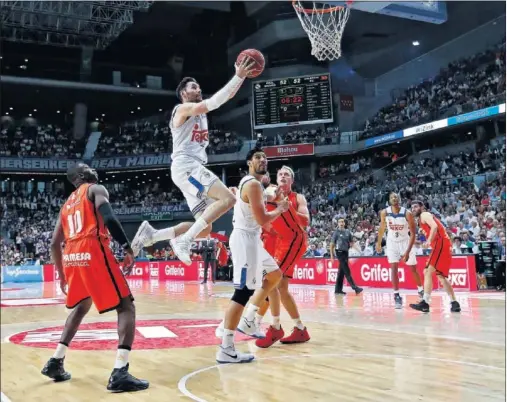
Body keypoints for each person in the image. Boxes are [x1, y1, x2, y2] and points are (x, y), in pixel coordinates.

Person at [130, 57, 256, 264]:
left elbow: (221, 100)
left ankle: (152, 235)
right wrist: (239, 76)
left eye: (198, 87)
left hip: (190, 168)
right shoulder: (181, 109)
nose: (198, 90)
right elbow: (215, 101)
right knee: (229, 200)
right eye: (193, 87)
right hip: (186, 166)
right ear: (183, 94)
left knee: (205, 228)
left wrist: (239, 79)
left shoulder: (201, 114)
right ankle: (184, 241)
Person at [41, 163, 148, 392]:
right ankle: (120, 371)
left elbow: (53, 244)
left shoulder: (66, 205)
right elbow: (108, 217)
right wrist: (127, 248)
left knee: (81, 306)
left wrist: (61, 274)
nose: (94, 169)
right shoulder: (95, 189)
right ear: (81, 176)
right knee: (126, 305)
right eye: (88, 167)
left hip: (72, 256)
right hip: (92, 248)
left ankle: (56, 361)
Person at [216, 148, 288, 364]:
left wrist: (272, 195)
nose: (263, 160)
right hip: (245, 240)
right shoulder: (252, 184)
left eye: (265, 158)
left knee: (275, 274)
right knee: (242, 293)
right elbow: (261, 219)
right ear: (249, 163)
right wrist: (280, 209)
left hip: (253, 240)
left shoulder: (253, 185)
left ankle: (249, 319)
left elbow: (261, 201)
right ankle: (226, 347)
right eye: (257, 157)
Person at [254, 166, 311, 348]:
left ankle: (269, 325)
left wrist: (288, 209)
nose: (283, 176)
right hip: (275, 242)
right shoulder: (271, 190)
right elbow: (265, 203)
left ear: (292, 180)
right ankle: (299, 328)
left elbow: (306, 221)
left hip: (291, 241)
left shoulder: (297, 198)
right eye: (280, 174)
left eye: (287, 174)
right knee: (282, 287)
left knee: (272, 281)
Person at [409, 200, 461, 313]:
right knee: (440, 276)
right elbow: (428, 234)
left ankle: (425, 302)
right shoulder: (421, 221)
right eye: (412, 207)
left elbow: (434, 227)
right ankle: (454, 303)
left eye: (416, 206)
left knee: (427, 271)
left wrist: (428, 240)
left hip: (441, 243)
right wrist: (424, 239)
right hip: (444, 244)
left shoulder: (424, 214)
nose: (413, 209)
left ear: (422, 207)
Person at [376, 192, 423, 309]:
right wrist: (378, 243)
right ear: (389, 200)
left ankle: (421, 290)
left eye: (396, 197)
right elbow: (382, 227)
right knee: (393, 268)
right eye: (392, 197)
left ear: (399, 200)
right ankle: (396, 295)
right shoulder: (384, 212)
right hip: (391, 242)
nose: (394, 198)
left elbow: (412, 234)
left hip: (405, 242)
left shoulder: (407, 214)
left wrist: (407, 252)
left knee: (413, 269)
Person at [329, 218, 363, 295]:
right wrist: (332, 256)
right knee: (347, 270)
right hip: (339, 253)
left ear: (344, 223)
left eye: (342, 222)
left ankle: (338, 290)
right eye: (340, 222)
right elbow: (331, 245)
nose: (341, 223)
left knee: (341, 272)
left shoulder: (348, 232)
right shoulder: (336, 233)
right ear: (337, 223)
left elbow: (352, 243)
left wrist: (359, 251)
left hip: (346, 252)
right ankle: (355, 288)